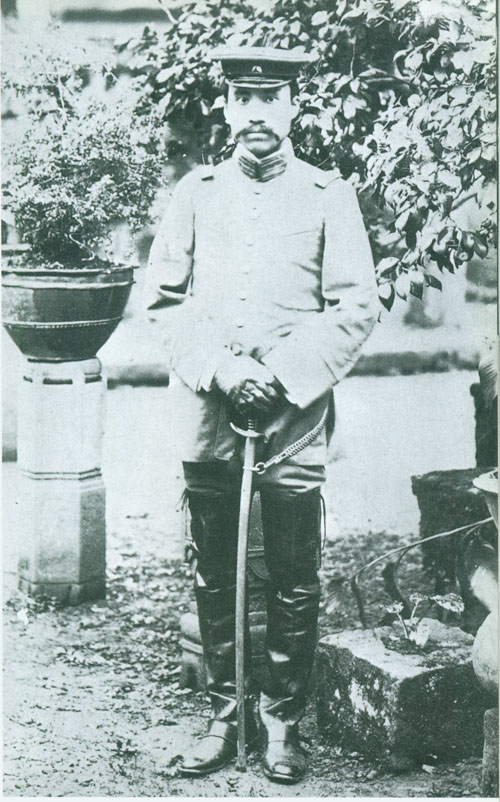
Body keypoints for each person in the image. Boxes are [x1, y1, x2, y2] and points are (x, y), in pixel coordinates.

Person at [145, 45, 378, 784]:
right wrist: (225, 370)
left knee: (293, 572)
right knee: (215, 571)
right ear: (227, 106)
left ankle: (282, 721)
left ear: (291, 107)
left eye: (269, 99)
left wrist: (279, 376)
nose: (256, 113)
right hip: (211, 411)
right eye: (243, 98)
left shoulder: (327, 195)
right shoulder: (195, 193)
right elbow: (163, 300)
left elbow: (356, 305)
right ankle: (226, 713)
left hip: (293, 418)